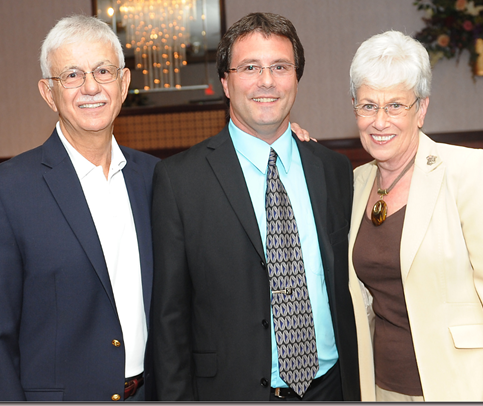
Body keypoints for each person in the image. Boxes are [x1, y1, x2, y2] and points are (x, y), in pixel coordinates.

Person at [150, 12, 360, 401]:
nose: (267, 81)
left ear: (296, 77)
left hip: (332, 388)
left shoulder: (332, 169)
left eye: (280, 66)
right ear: (226, 82)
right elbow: (169, 320)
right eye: (250, 67)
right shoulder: (180, 181)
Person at [0, 15, 158, 401]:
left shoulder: (155, 178)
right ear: (48, 93)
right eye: (71, 75)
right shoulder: (4, 191)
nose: (91, 87)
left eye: (103, 71)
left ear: (123, 84)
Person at [346, 30, 483, 401]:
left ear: (421, 109)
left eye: (395, 105)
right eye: (368, 105)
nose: (380, 121)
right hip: (380, 388)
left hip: (459, 387)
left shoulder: (469, 172)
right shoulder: (354, 184)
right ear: (354, 107)